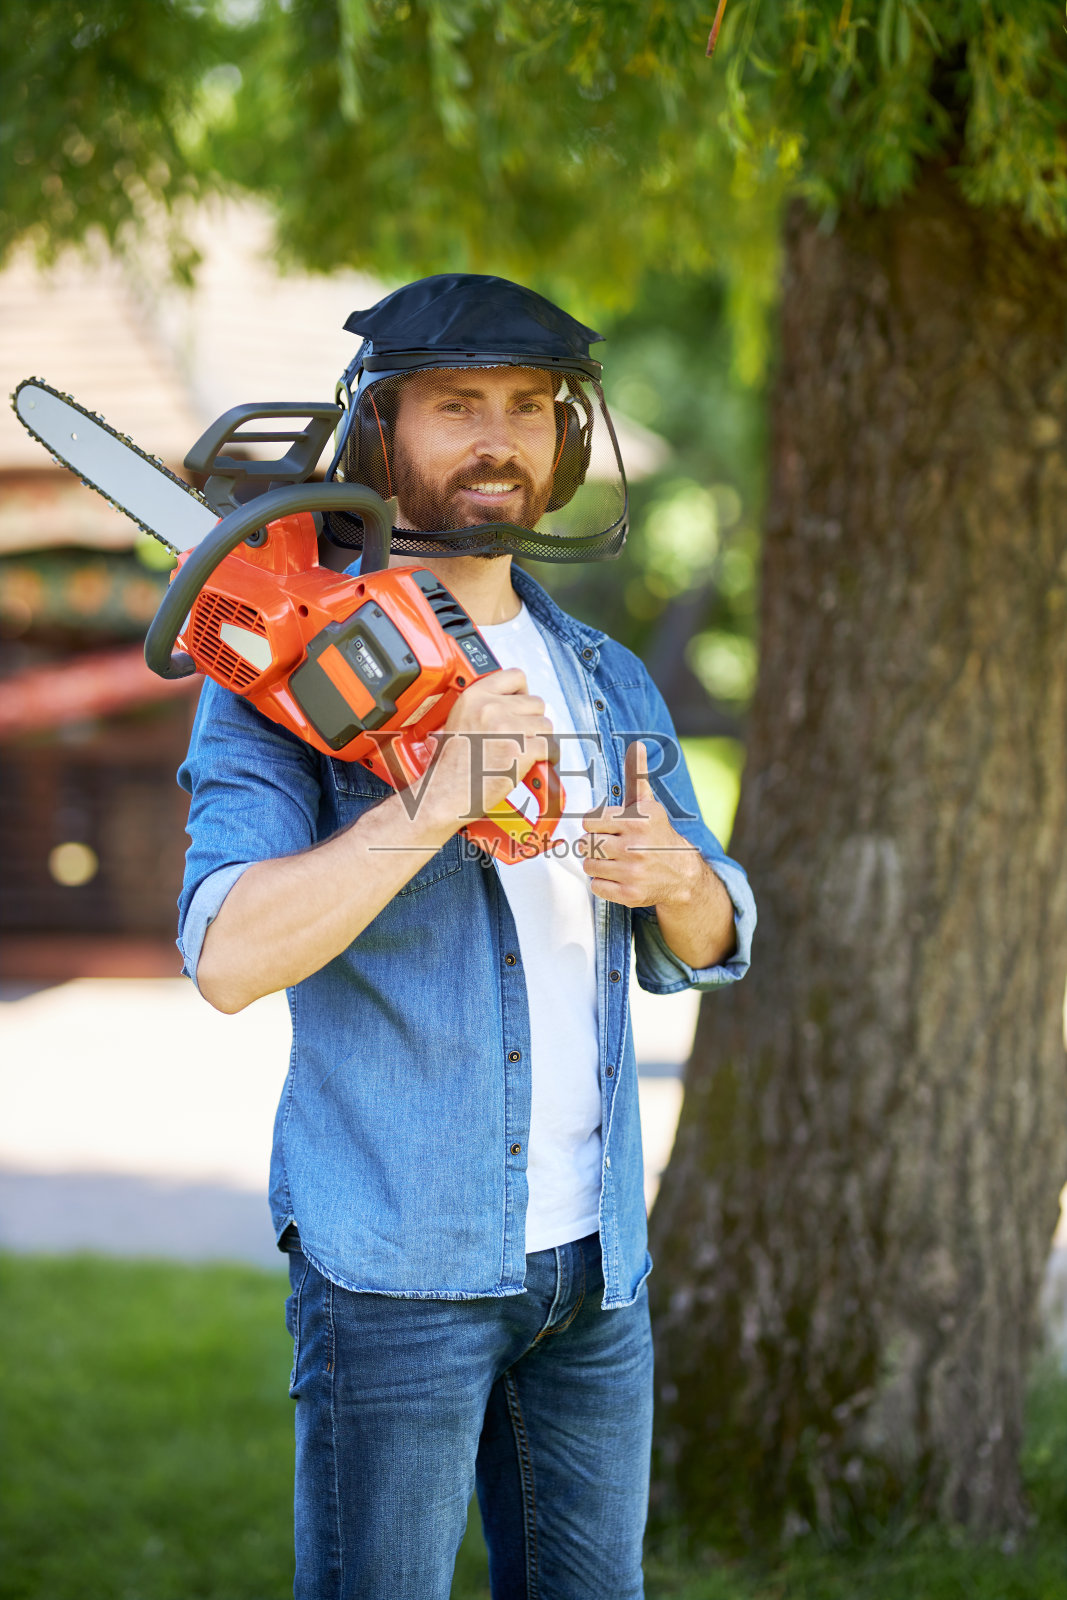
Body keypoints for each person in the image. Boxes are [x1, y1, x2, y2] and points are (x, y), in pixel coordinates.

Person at [176, 274, 756, 1600]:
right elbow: (225, 955)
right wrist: (435, 803)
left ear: (565, 441)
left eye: (528, 407)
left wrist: (675, 875)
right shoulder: (282, 661)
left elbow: (718, 927)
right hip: (395, 1269)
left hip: (595, 1273)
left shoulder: (606, 674)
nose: (499, 436)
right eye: (456, 406)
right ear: (381, 432)